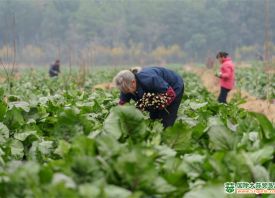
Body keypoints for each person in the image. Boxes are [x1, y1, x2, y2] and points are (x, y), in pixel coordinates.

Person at [113, 66, 184, 128]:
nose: (127, 92)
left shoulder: (149, 79)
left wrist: (158, 106)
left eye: (128, 90)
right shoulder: (126, 87)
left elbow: (170, 94)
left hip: (174, 86)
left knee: (167, 117)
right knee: (153, 117)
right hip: (157, 91)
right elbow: (122, 104)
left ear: (133, 82)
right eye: (124, 91)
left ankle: (167, 133)